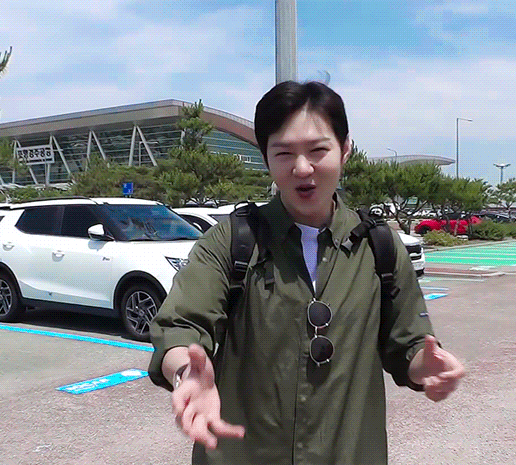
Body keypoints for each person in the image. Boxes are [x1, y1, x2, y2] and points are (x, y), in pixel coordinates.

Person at [148, 81, 465, 464]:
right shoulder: (232, 240)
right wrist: (187, 373)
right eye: (284, 153)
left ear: (345, 150)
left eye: (318, 150)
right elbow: (180, 324)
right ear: (266, 158)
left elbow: (408, 343)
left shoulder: (379, 246)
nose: (302, 168)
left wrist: (425, 366)